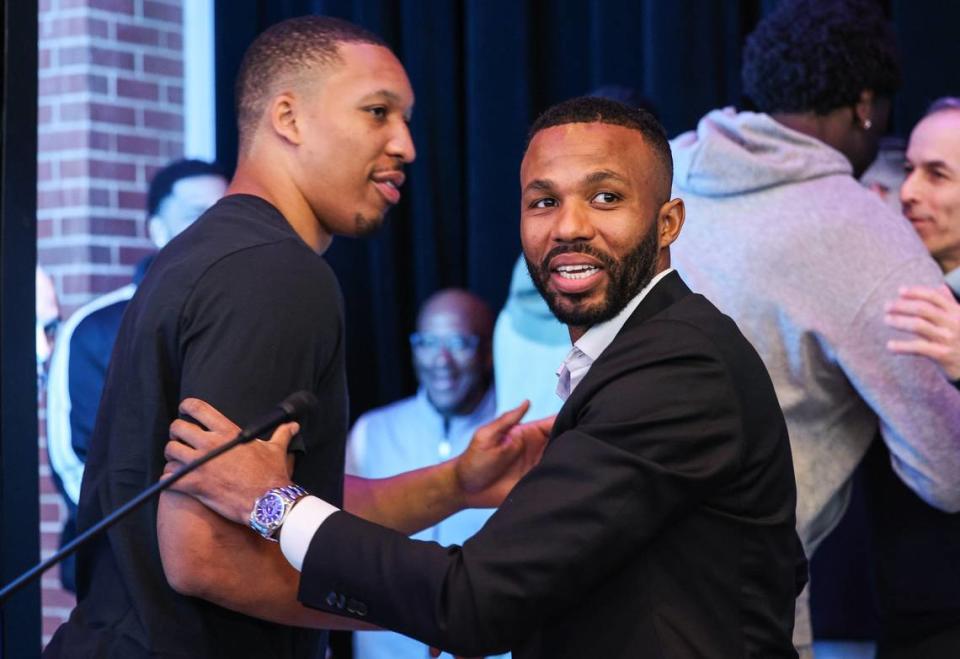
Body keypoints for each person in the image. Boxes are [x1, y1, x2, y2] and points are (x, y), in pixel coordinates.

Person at [164, 97, 805, 659]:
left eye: (606, 197)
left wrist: (272, 504)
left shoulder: (677, 365)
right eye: (544, 201)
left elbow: (473, 602)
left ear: (668, 223)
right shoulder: (641, 352)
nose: (570, 226)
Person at [44, 16, 548, 659]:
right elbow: (206, 557)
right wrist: (444, 607)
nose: (406, 145)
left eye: (407, 119)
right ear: (289, 117)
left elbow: (286, 506)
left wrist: (459, 482)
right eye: (376, 112)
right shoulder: (275, 272)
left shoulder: (211, 253)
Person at [666, 1, 960, 655]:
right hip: (730, 607)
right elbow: (948, 470)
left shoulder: (664, 169)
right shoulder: (862, 235)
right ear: (865, 106)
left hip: (592, 567)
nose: (906, 190)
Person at [45, 158, 226, 593]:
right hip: (125, 573)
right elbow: (76, 460)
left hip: (231, 568)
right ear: (157, 230)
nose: (215, 229)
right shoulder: (97, 327)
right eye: (196, 215)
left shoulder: (249, 320)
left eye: (225, 214)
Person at [853, 97, 960, 659]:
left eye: (936, 174)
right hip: (896, 616)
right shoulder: (884, 294)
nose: (910, 191)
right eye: (909, 169)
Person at [345, 288, 504, 659]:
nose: (441, 360)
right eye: (428, 342)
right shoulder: (372, 431)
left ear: (488, 353)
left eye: (460, 343)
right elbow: (340, 544)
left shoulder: (514, 438)